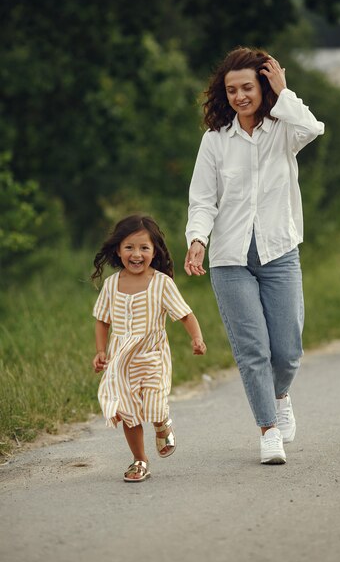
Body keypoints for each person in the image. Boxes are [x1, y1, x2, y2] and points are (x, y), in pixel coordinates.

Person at [184, 47, 324, 465]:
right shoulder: (215, 141)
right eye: (232, 90)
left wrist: (284, 91)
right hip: (229, 258)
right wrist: (197, 239)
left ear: (262, 87)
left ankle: (281, 395)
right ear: (222, 94)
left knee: (287, 351)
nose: (240, 96)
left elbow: (313, 127)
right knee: (252, 350)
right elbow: (203, 200)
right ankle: (267, 430)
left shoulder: (284, 129)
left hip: (279, 250)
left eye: (248, 87)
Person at [92, 214, 206, 482]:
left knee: (155, 404)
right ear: (118, 250)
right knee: (129, 413)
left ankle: (161, 423)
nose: (136, 254)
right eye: (129, 247)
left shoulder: (161, 283)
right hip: (121, 362)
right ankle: (139, 460)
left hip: (152, 356)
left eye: (144, 248)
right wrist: (100, 351)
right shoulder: (111, 286)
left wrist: (196, 338)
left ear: (154, 252)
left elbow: (185, 315)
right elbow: (101, 320)